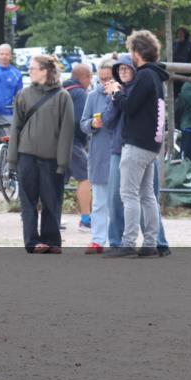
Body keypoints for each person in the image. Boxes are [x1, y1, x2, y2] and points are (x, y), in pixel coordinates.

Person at [104, 30, 169, 258]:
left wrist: (115, 93)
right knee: (147, 195)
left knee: (129, 194)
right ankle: (150, 243)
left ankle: (128, 242)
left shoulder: (143, 75)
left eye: (131, 50)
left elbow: (129, 106)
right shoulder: (156, 76)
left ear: (137, 52)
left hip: (137, 143)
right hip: (152, 144)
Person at [6, 55, 74, 253]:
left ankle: (52, 240)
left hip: (51, 159)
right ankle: (32, 242)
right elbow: (15, 128)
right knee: (28, 202)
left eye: (33, 68)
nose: (30, 71)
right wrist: (12, 160)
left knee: (52, 200)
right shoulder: (23, 95)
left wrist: (63, 163)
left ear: (45, 71)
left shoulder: (63, 97)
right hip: (26, 156)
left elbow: (66, 133)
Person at [81, 58, 118, 253]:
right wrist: (92, 125)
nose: (104, 82)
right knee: (99, 202)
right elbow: (83, 123)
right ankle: (97, 239)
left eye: (108, 78)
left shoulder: (122, 95)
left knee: (118, 202)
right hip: (99, 153)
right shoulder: (93, 96)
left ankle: (116, 239)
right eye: (101, 78)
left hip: (118, 152)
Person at [64, 64, 93, 232]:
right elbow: (79, 120)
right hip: (73, 141)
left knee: (59, 179)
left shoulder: (62, 90)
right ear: (85, 77)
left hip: (56, 141)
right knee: (85, 177)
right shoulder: (80, 93)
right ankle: (85, 220)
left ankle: (52, 218)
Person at [0, 44, 24, 131]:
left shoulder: (16, 74)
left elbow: (19, 96)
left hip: (7, 113)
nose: (4, 56)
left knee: (8, 141)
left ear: (11, 56)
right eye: (1, 54)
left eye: (6, 54)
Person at [172, 26, 191, 98]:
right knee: (175, 96)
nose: (180, 35)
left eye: (182, 34)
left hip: (187, 75)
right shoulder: (175, 44)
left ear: (185, 34)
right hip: (175, 74)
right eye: (179, 34)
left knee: (185, 95)